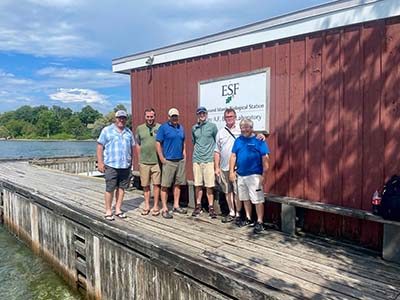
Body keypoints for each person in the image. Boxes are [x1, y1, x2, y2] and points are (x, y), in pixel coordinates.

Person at [229, 118, 270, 233]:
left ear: (251, 128)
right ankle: (248, 218)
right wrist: (232, 172)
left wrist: (264, 174)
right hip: (241, 174)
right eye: (243, 127)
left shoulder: (259, 140)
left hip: (255, 176)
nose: (245, 129)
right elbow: (233, 156)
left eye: (247, 127)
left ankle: (260, 221)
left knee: (257, 199)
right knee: (245, 198)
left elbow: (265, 158)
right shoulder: (238, 140)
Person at [97, 110, 136, 221]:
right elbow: (100, 147)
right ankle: (108, 210)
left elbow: (132, 148)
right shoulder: (107, 130)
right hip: (111, 165)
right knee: (110, 188)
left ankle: (118, 209)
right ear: (115, 119)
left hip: (125, 165)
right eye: (119, 118)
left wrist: (131, 163)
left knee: (122, 188)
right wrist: (100, 162)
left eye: (123, 118)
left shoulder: (128, 132)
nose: (121, 120)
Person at [156, 108, 187, 219]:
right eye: (172, 116)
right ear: (168, 117)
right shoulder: (163, 128)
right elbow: (158, 143)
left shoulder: (181, 127)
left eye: (176, 116)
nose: (174, 118)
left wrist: (184, 153)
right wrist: (161, 158)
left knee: (178, 184)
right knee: (165, 185)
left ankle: (176, 205)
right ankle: (164, 208)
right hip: (168, 160)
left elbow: (183, 141)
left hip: (180, 160)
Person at [214, 108, 242, 224]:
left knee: (237, 192)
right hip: (224, 167)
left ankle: (239, 214)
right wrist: (216, 167)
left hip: (237, 168)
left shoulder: (240, 130)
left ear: (235, 117)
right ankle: (231, 212)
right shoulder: (220, 132)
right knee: (227, 191)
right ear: (224, 118)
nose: (229, 119)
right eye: (227, 117)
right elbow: (217, 151)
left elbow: (251, 137)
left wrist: (260, 135)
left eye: (231, 117)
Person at [191, 106, 218, 218]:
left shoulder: (212, 127)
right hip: (197, 159)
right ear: (197, 115)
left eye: (203, 113)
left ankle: (211, 207)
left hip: (209, 160)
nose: (202, 115)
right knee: (198, 185)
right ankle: (198, 206)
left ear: (206, 114)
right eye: (199, 113)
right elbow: (194, 141)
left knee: (209, 185)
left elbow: (216, 141)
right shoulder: (194, 128)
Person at [135, 108, 161, 216]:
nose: (150, 119)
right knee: (145, 185)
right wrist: (139, 158)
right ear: (145, 117)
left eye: (152, 116)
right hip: (144, 162)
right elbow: (137, 143)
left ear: (155, 116)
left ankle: (155, 205)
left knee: (156, 184)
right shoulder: (139, 128)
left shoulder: (160, 127)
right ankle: (146, 205)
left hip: (156, 161)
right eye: (148, 117)